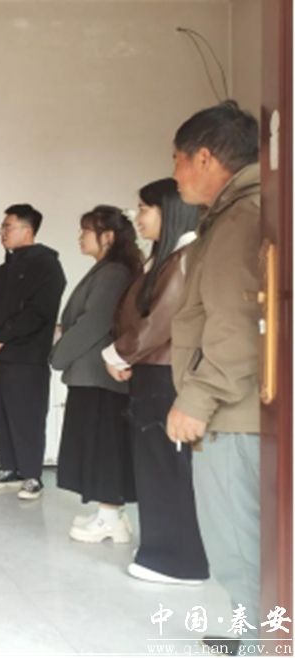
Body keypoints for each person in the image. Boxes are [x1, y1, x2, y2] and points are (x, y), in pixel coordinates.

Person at [166, 101, 261, 623]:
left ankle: (260, 644)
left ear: (203, 158)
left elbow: (238, 322)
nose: (175, 173)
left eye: (177, 159)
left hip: (232, 412)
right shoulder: (243, 210)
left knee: (238, 543)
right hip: (240, 407)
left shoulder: (239, 219)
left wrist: (196, 399)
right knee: (246, 539)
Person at [102, 178, 208, 583]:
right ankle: (162, 552)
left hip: (166, 374)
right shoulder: (165, 257)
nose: (137, 217)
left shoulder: (184, 257)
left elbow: (160, 322)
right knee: (155, 466)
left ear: (170, 211)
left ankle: (179, 561)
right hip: (152, 372)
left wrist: (118, 353)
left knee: (166, 466)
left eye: (145, 209)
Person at [51, 205, 142, 542]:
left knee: (104, 444)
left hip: (99, 376)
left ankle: (109, 517)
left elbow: (93, 322)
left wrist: (58, 356)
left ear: (108, 236)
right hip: (93, 374)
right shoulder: (108, 269)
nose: (80, 237)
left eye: (87, 230)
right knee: (99, 443)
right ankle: (110, 513)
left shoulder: (114, 273)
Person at [0, 204, 66, 500]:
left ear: (27, 230)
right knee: (2, 413)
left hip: (26, 357)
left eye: (8, 227)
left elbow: (39, 312)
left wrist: (2, 336)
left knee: (27, 415)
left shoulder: (47, 266)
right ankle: (10, 468)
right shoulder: (1, 272)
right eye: (2, 227)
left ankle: (31, 475)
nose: (2, 233)